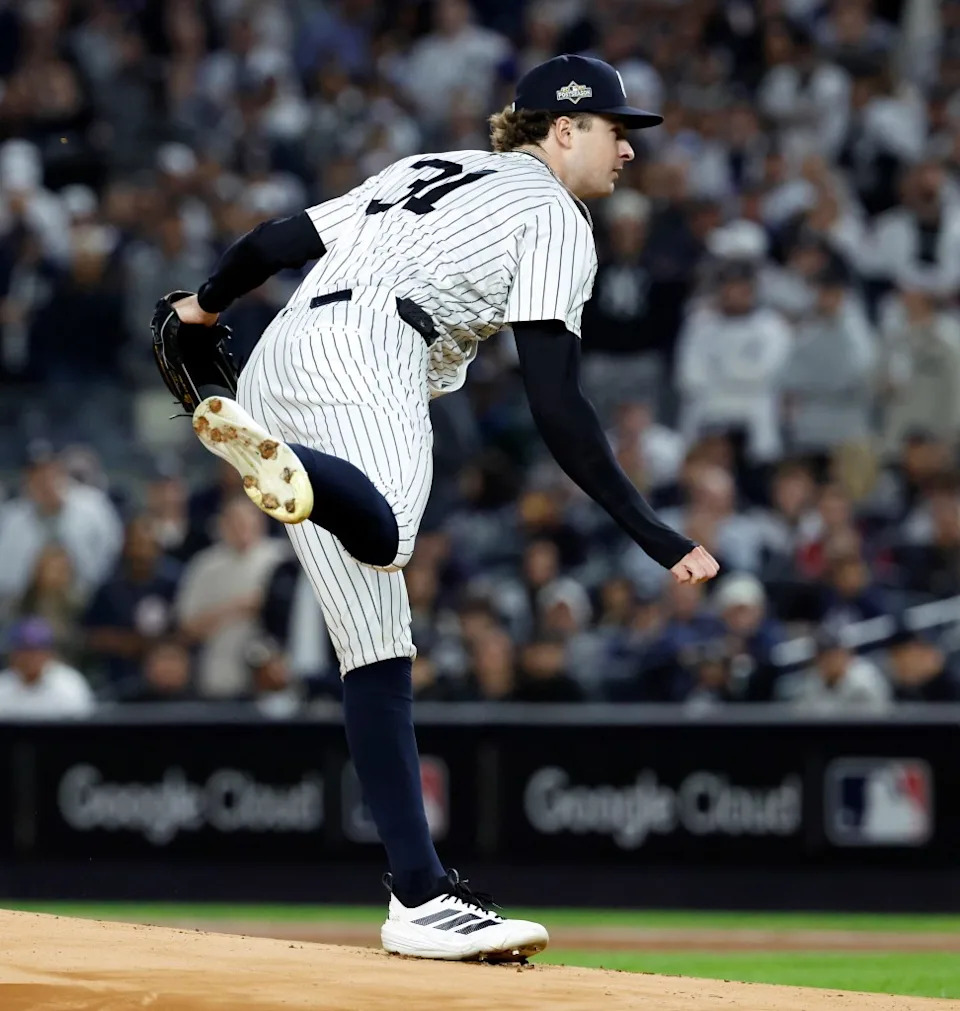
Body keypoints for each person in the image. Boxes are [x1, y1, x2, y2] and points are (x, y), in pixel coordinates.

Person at [164, 55, 719, 962]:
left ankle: (418, 897)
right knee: (387, 532)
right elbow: (558, 404)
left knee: (377, 649)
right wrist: (655, 534)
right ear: (563, 128)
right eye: (618, 130)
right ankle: (290, 464)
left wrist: (199, 307)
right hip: (372, 353)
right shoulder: (555, 216)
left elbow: (273, 240)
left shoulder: (429, 165)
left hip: (279, 356)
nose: (629, 148)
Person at [0, 616, 95, 718]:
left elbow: (83, 729)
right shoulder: (2, 685)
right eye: (22, 650)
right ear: (11, 654)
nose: (29, 657)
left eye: (36, 650)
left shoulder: (69, 684)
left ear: (49, 653)